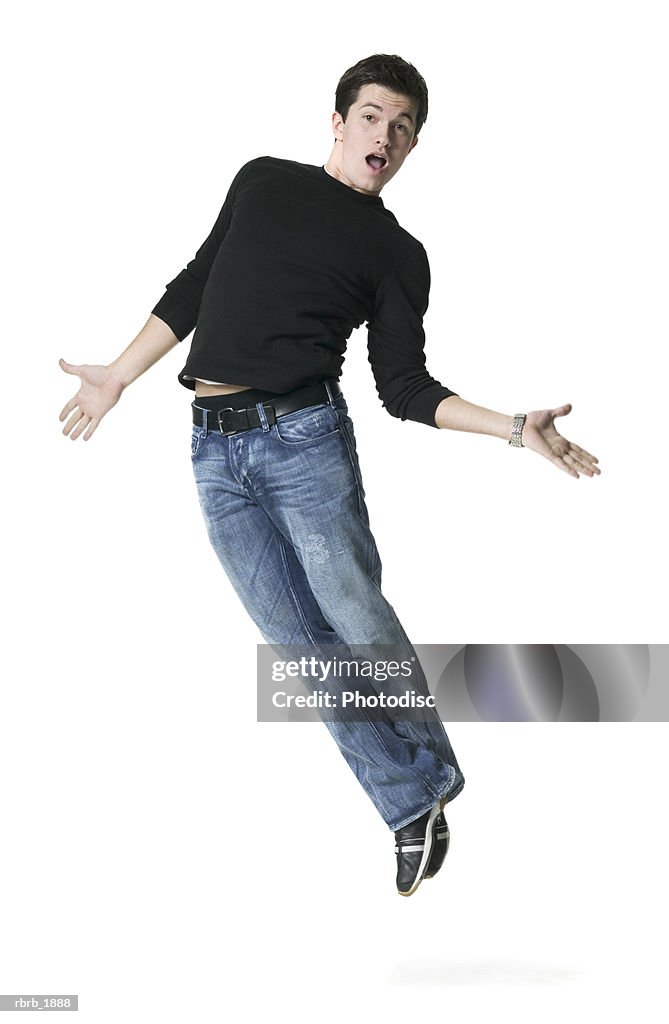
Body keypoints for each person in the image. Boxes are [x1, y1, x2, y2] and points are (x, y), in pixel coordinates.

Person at [58, 54, 600, 897]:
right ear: (339, 120)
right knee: (300, 650)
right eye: (374, 115)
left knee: (359, 623)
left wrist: (508, 429)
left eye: (404, 127)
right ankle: (416, 800)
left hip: (302, 442)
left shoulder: (396, 253)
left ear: (412, 147)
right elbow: (198, 282)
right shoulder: (262, 181)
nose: (385, 134)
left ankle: (423, 775)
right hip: (211, 447)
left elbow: (404, 387)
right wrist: (118, 376)